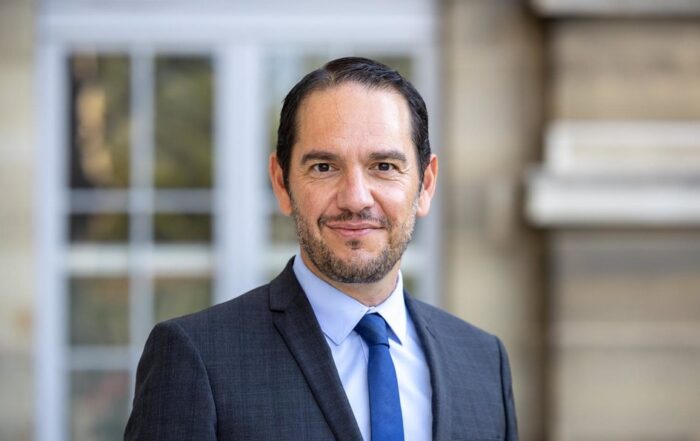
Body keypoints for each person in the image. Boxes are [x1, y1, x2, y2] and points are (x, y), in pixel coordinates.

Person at [124, 57, 518, 441]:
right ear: (282, 183)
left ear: (426, 184)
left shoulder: (484, 362)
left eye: (384, 166)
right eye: (324, 167)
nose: (356, 198)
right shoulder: (197, 356)